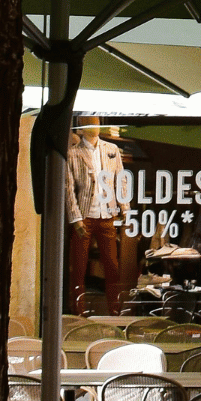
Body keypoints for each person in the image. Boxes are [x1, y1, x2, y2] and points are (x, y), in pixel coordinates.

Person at [66, 115, 125, 314]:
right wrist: (76, 219)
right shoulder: (73, 153)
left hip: (107, 215)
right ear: (82, 126)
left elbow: (121, 180)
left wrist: (125, 209)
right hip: (85, 216)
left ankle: (115, 311)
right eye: (91, 122)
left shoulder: (111, 149)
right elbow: (68, 188)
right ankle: (79, 312)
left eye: (98, 121)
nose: (96, 125)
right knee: (79, 268)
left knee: (112, 267)